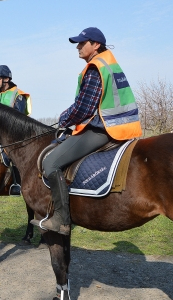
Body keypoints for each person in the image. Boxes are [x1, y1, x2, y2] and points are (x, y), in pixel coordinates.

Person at [31, 27, 142, 235]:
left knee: (50, 162)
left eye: (83, 43)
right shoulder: (110, 64)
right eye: (78, 44)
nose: (78, 47)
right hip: (124, 127)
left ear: (96, 45)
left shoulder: (95, 67)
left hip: (104, 129)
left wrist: (63, 118)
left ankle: (61, 220)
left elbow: (84, 108)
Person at [0, 65, 32, 196]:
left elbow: (19, 119)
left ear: (6, 78)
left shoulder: (18, 95)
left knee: (12, 153)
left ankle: (17, 184)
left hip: (14, 135)